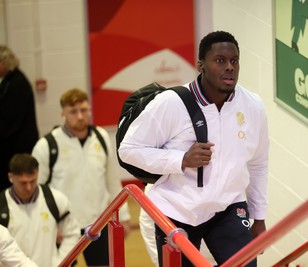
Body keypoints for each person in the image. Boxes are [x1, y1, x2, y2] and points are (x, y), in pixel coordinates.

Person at [119, 31, 269, 267]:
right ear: (201, 65)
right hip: (176, 211)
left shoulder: (253, 106)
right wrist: (181, 160)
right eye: (220, 60)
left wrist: (258, 217)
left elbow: (259, 163)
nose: (229, 67)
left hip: (227, 208)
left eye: (234, 60)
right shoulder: (171, 103)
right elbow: (128, 150)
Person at [32, 88, 132, 267]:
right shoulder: (47, 145)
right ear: (63, 113)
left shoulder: (101, 137)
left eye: (84, 110)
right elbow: (37, 191)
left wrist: (123, 216)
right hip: (64, 228)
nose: (80, 116)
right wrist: (48, 226)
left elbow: (112, 181)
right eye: (73, 111)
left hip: (98, 224)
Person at [3, 153, 80, 267]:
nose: (29, 187)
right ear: (11, 177)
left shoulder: (56, 199)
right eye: (23, 183)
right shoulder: (1, 205)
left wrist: (60, 262)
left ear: (38, 172)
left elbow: (72, 234)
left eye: (33, 181)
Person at [0, 45, 39, 192]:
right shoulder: (7, 81)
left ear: (4, 62)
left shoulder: (17, 83)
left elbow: (9, 118)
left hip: (19, 146)